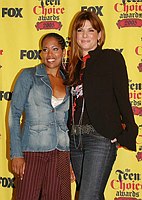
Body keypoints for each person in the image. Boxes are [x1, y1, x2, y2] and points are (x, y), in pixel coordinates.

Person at [65, 11, 138, 200]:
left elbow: (123, 96)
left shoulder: (111, 58)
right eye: (80, 30)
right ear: (74, 36)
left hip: (99, 138)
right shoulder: (72, 66)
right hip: (75, 140)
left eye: (91, 30)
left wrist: (127, 132)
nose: (85, 34)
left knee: (87, 197)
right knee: (93, 195)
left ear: (99, 35)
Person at [8, 33, 71, 200]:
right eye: (45, 50)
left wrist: (70, 159)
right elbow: (14, 115)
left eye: (55, 49)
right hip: (32, 151)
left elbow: (68, 122)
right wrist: (16, 154)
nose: (50, 55)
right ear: (41, 53)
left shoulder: (69, 82)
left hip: (61, 153)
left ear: (63, 52)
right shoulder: (29, 75)